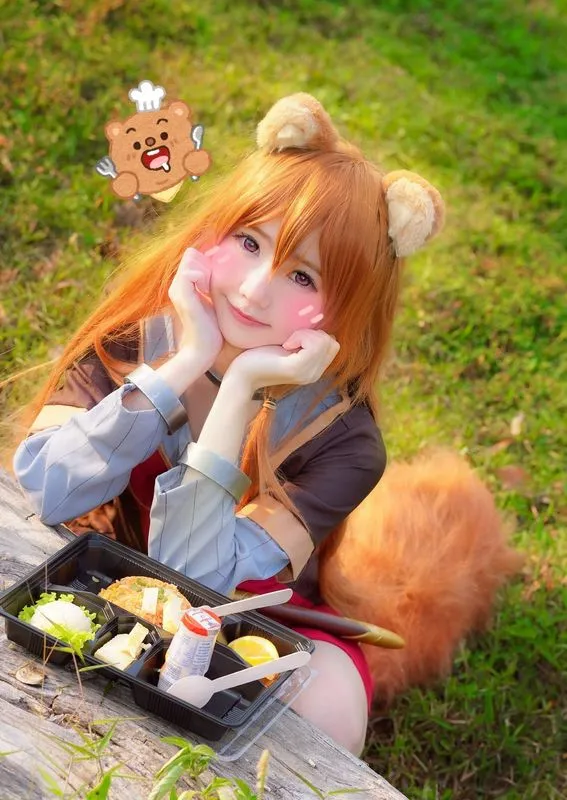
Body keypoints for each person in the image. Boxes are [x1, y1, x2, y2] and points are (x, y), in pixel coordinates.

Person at [13, 93, 520, 755]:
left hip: (255, 614)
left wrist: (239, 388)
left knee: (329, 716)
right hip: (105, 565)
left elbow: (188, 580)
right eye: (249, 242)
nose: (254, 290)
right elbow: (43, 486)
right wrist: (183, 362)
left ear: (348, 308)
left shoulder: (345, 440)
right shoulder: (143, 337)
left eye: (302, 277)